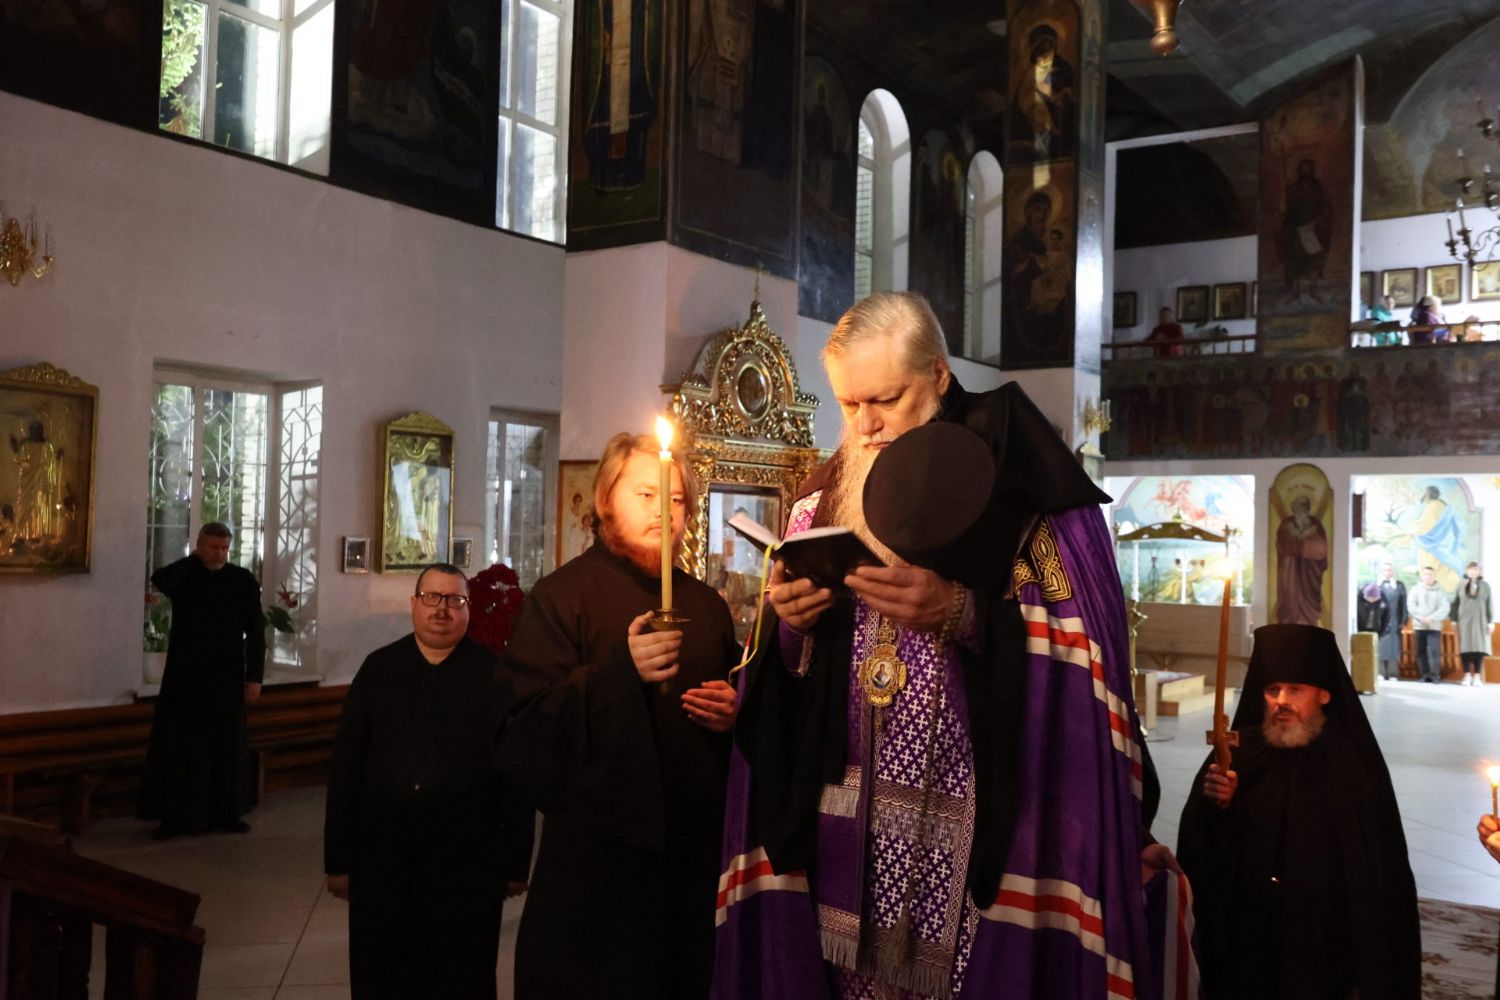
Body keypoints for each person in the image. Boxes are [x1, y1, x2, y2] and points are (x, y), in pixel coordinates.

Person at [715, 292, 1177, 1000]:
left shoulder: (1028, 491)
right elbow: (784, 683)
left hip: (983, 827)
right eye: (848, 405)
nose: (865, 426)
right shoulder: (823, 498)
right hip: (847, 817)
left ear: (937, 374)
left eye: (885, 400)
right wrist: (793, 626)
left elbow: (1080, 664)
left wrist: (963, 613)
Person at [495, 433, 741, 1000]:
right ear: (606, 499)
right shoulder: (561, 598)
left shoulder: (707, 606)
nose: (664, 511)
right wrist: (617, 672)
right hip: (595, 876)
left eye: (675, 499)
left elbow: (739, 713)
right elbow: (520, 731)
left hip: (691, 867)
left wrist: (735, 712)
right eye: (646, 494)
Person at [324, 563, 533, 1000]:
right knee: (384, 973)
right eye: (432, 598)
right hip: (384, 859)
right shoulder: (379, 670)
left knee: (462, 975)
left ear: (468, 609)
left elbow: (516, 774)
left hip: (467, 863)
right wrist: (338, 859)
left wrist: (516, 863)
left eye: (455, 600)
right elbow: (346, 768)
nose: (442, 609)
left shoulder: (495, 676)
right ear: (414, 605)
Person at [1178, 624, 1420, 999]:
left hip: (1324, 938)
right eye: (1272, 690)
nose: (1281, 701)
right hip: (1251, 934)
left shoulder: (1352, 765)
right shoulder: (1236, 753)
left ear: (1324, 693)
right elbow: (1202, 849)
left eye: (1295, 690)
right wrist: (1220, 806)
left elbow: (1375, 871)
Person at [137, 522, 265, 839]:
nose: (219, 554)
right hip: (185, 677)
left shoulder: (242, 580)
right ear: (199, 545)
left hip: (227, 676)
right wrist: (194, 559)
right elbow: (160, 578)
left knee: (225, 747)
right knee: (182, 745)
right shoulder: (186, 576)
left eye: (224, 548)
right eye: (212, 547)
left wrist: (255, 677)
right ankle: (178, 818)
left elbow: (256, 632)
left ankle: (225, 813)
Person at [1274, 495, 1328, 626]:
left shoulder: (1315, 524)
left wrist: (1300, 542)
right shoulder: (1286, 525)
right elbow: (1282, 545)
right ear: (1293, 508)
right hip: (1290, 573)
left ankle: (1308, 625)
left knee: (1309, 599)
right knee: (1289, 600)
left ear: (1308, 508)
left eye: (1304, 506)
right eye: (1298, 506)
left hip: (1309, 574)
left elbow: (1321, 549)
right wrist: (1303, 541)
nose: (1301, 509)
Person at [1409, 565, 1448, 683]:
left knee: (1434, 651)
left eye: (1430, 575)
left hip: (1434, 626)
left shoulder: (1440, 591)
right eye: (1426, 574)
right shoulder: (1415, 589)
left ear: (1434, 576)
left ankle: (1435, 675)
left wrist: (1432, 618)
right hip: (1419, 625)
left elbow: (1445, 607)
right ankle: (1424, 675)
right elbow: (1411, 605)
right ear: (1422, 576)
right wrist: (1421, 617)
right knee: (1421, 651)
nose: (1428, 577)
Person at [1456, 562, 1493, 686]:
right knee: (1465, 648)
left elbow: (1489, 604)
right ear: (1467, 571)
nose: (1473, 571)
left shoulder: (1485, 586)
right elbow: (1455, 603)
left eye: (1475, 569)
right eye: (1470, 569)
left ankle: (1477, 676)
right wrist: (1454, 619)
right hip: (1464, 621)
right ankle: (1467, 675)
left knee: (1479, 649)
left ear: (1479, 571)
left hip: (1480, 621)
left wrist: (1490, 621)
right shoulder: (1461, 585)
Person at [1376, 562, 1407, 680]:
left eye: (1390, 570)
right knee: (1380, 647)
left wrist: (1403, 620)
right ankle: (1380, 672)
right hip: (1381, 622)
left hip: (1395, 620)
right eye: (1385, 570)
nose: (1387, 572)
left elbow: (1403, 604)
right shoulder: (1376, 585)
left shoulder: (1399, 585)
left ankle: (1393, 673)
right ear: (1381, 571)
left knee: (1394, 648)